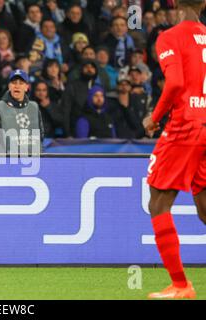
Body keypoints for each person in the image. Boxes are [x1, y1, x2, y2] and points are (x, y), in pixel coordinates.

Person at [142, 0, 206, 299]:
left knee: (158, 203)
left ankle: (181, 286)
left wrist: (154, 118)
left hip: (186, 126)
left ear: (173, 3)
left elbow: (176, 82)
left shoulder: (169, 36)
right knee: (205, 208)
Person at [0, 69, 44, 153]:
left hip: (33, 160)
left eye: (21, 83)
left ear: (26, 87)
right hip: (8, 162)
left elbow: (41, 135)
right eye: (14, 83)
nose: (17, 86)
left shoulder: (34, 107)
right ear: (9, 86)